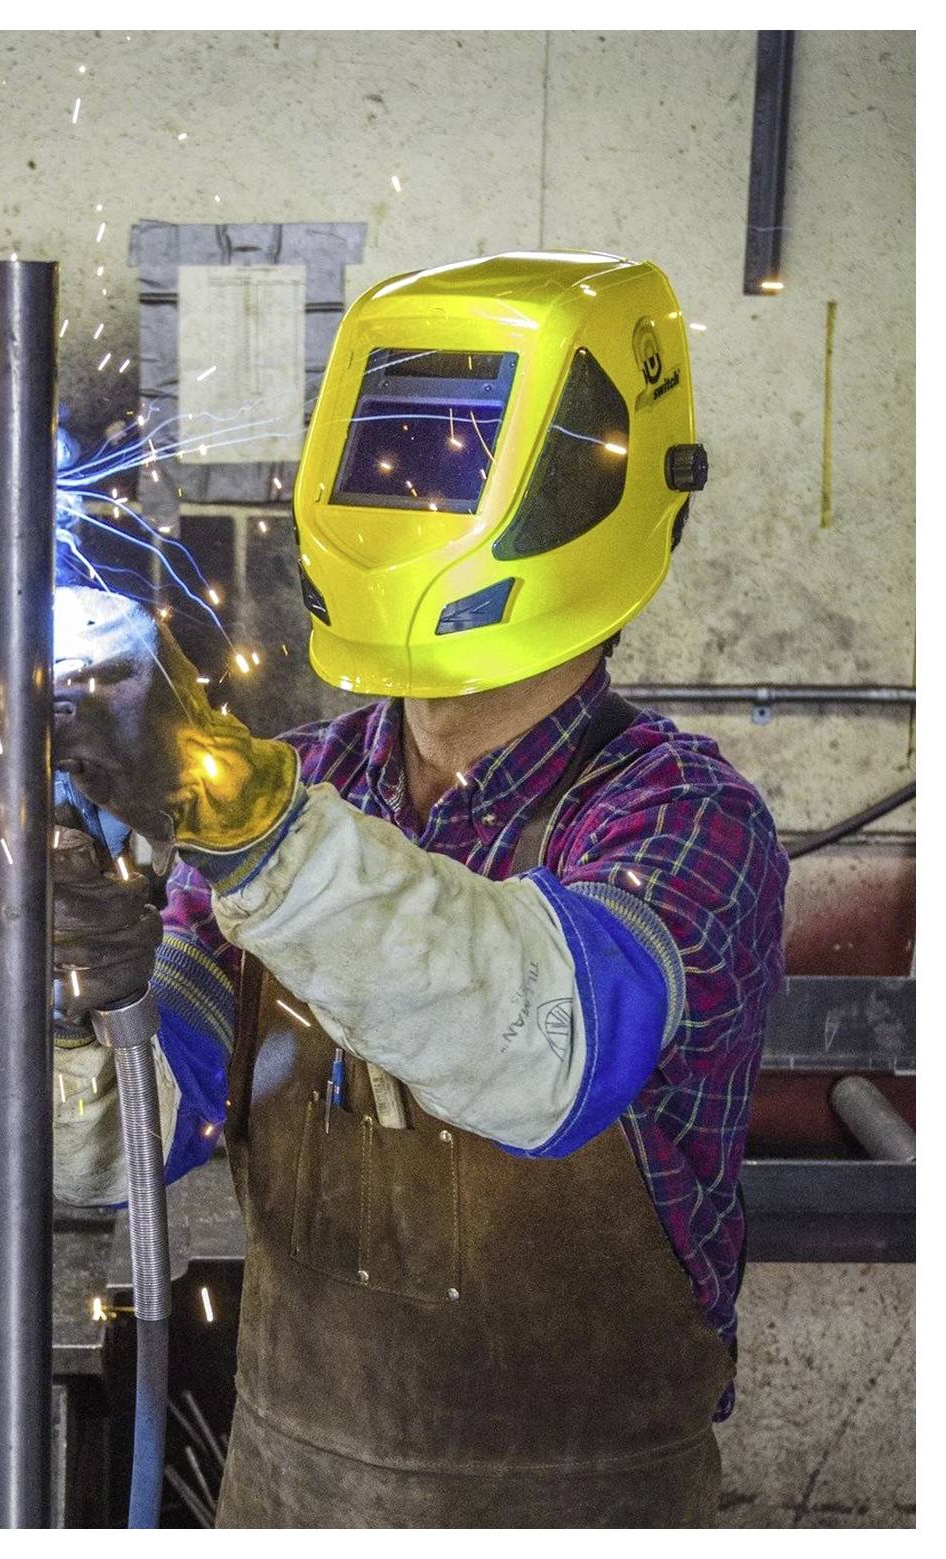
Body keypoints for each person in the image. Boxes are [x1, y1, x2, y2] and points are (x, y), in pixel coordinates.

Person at [49, 252, 788, 1528]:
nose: (412, 491)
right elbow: (125, 1138)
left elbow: (535, 1047)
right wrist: (73, 995)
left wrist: (235, 817)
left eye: (454, 455)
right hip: (283, 1492)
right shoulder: (307, 786)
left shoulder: (680, 819)